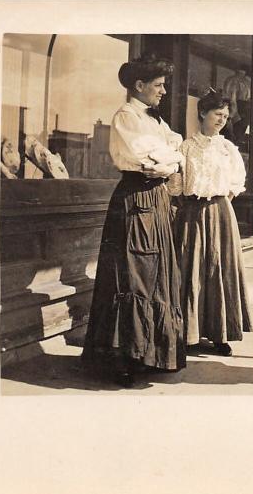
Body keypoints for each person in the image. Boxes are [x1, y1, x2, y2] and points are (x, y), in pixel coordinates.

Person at [82, 55, 186, 387]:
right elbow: (146, 160)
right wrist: (169, 159)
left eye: (164, 85)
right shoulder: (126, 117)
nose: (164, 91)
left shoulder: (155, 121)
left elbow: (177, 150)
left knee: (157, 275)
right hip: (136, 200)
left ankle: (150, 354)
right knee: (133, 275)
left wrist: (170, 161)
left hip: (156, 199)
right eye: (158, 85)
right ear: (138, 86)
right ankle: (124, 357)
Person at [167, 89, 252, 356]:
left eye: (226, 116)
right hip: (191, 213)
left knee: (219, 270)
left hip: (220, 213)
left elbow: (236, 182)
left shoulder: (228, 148)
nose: (222, 120)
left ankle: (219, 334)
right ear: (202, 113)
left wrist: (220, 200)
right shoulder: (185, 147)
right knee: (190, 271)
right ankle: (186, 333)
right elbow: (176, 185)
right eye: (217, 114)